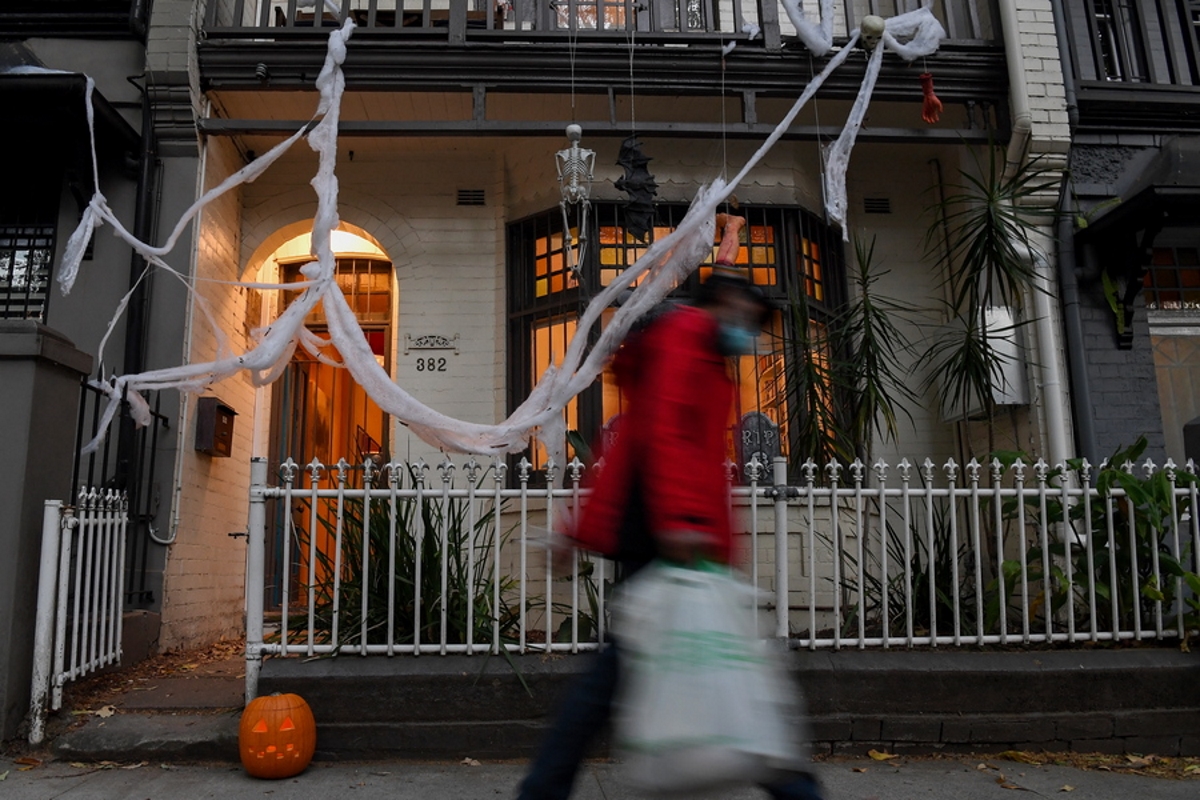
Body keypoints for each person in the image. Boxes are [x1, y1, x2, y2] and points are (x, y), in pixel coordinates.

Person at [516, 268, 824, 800]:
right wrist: (684, 521)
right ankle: (790, 783)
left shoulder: (702, 353)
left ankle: (543, 788)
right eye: (748, 319)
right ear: (726, 300)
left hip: (662, 524)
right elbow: (667, 435)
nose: (747, 333)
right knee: (666, 670)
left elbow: (653, 443)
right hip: (666, 528)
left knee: (621, 671)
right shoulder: (685, 342)